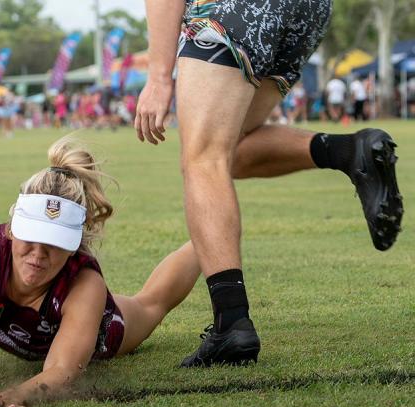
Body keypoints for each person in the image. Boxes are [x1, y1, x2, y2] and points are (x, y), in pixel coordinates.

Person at [134, 0, 402, 367]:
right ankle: (349, 152)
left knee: (203, 158)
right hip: (306, 9)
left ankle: (231, 323)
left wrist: (158, 76)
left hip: (234, 8)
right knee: (230, 150)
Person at [0, 137, 203, 407]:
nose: (38, 254)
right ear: (11, 228)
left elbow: (62, 371)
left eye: (55, 243)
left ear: (73, 247)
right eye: (30, 237)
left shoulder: (85, 286)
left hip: (104, 330)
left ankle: (208, 237)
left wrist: (15, 394)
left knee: (153, 302)